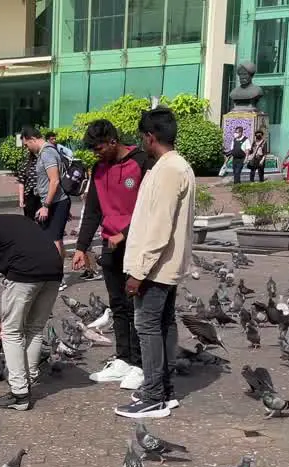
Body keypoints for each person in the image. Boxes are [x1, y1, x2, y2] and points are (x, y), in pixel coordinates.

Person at [115, 107, 195, 421]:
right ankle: (163, 390)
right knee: (162, 325)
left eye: (142, 137)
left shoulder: (168, 170)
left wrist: (139, 272)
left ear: (150, 137)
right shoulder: (175, 166)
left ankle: (152, 397)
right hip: (164, 265)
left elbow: (159, 227)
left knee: (147, 327)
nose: (142, 143)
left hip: (156, 267)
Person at [0, 199, 63, 411]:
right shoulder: (18, 220)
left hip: (24, 273)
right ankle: (28, 379)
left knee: (11, 332)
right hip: (54, 270)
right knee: (34, 328)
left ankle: (19, 394)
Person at [73, 119, 148, 391]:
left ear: (113, 141)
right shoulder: (99, 169)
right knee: (117, 304)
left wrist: (126, 233)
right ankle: (124, 359)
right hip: (110, 244)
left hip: (136, 242)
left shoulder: (141, 162)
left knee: (136, 305)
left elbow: (150, 207)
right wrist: (82, 246)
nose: (96, 153)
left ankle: (141, 365)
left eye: (99, 147)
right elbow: (92, 210)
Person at [20, 127, 72, 255]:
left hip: (56, 202)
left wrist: (46, 206)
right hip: (54, 201)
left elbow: (54, 181)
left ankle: (55, 272)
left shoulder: (47, 153)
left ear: (32, 139)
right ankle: (55, 270)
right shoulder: (46, 152)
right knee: (52, 238)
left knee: (54, 240)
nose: (27, 149)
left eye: (26, 145)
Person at [15, 147, 40, 220]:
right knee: (29, 219)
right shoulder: (25, 164)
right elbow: (21, 182)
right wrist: (21, 199)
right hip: (29, 194)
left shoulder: (44, 162)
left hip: (43, 194)